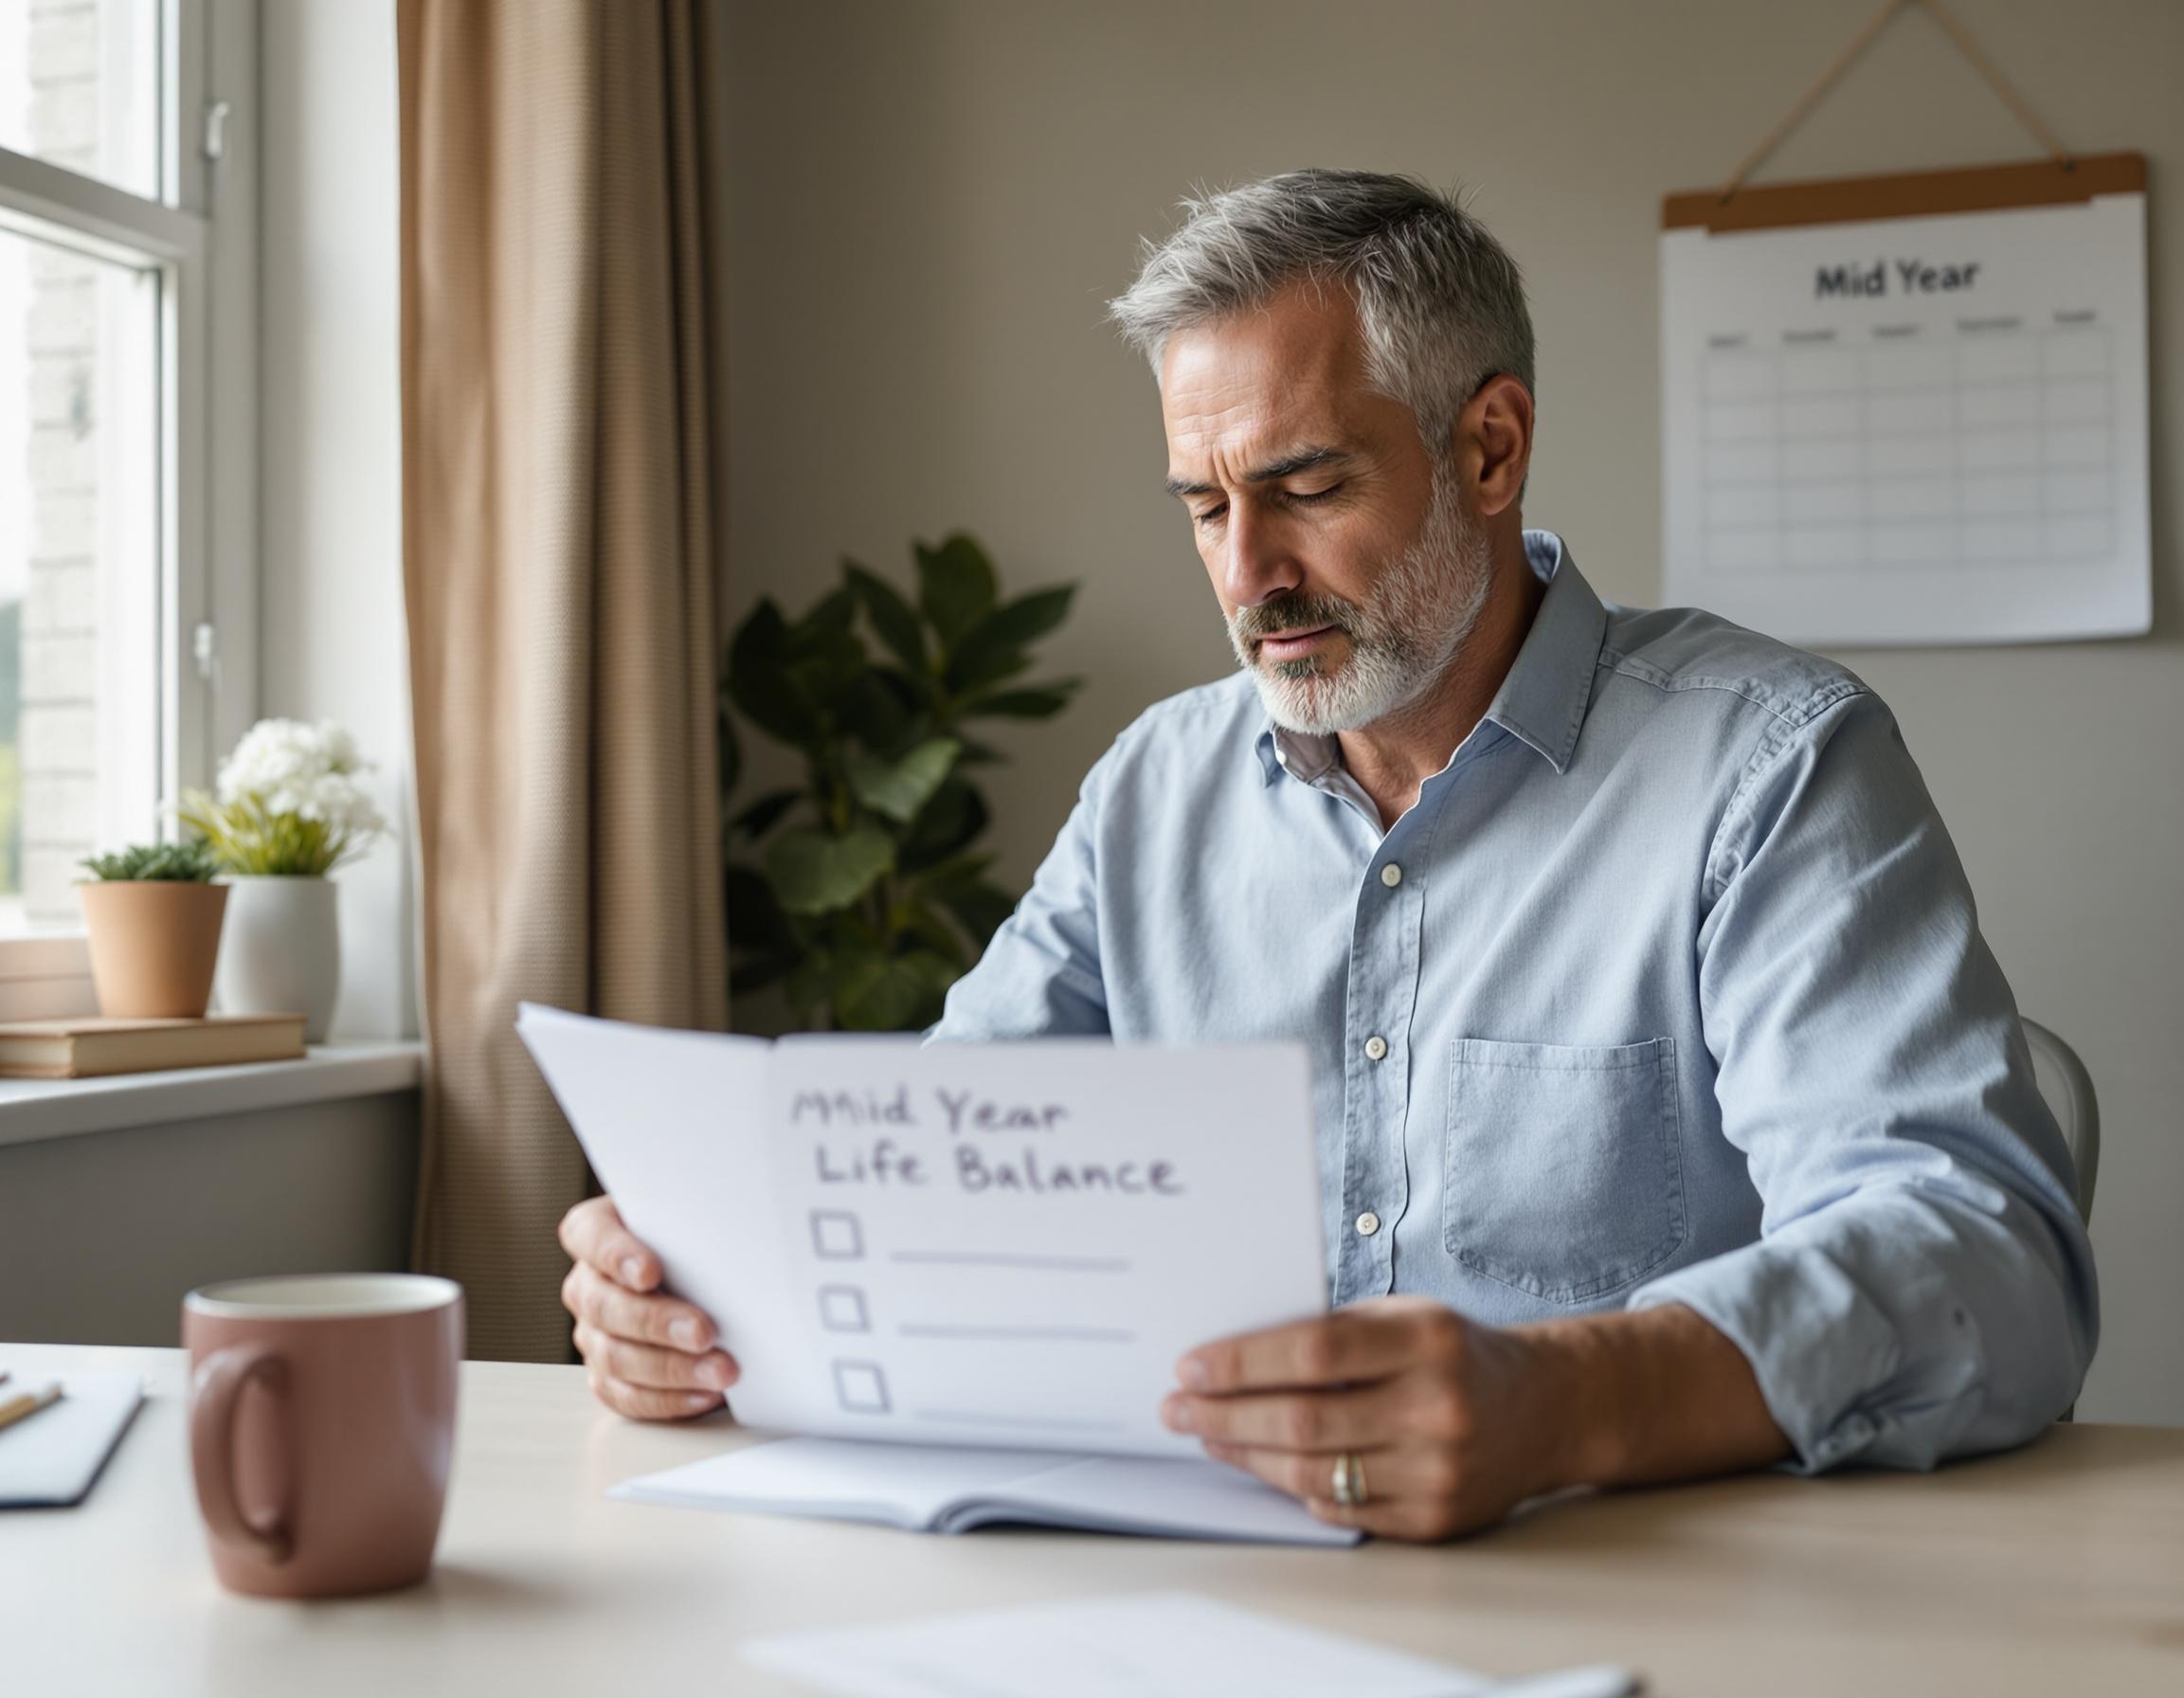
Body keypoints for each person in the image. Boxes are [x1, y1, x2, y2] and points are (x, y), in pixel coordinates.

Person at [559, 169, 2097, 1542]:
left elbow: (1983, 1259)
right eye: (1205, 505)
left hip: (1637, 1589)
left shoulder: (1768, 767)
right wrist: (704, 1291)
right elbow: (936, 1181)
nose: (1249, 576)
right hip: (1194, 1593)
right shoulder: (1157, 789)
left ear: (1489, 449)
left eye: (1304, 488)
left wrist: (1560, 1403)